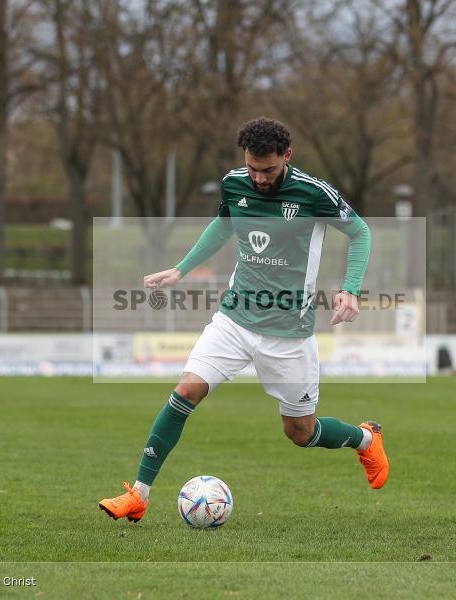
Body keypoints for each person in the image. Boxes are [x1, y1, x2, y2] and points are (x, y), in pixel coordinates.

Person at [99, 117, 389, 522]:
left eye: (267, 170)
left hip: (289, 334)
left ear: (287, 157)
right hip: (234, 320)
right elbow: (223, 227)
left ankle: (364, 438)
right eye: (252, 167)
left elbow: (360, 233)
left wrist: (351, 288)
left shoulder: (313, 193)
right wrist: (181, 269)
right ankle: (139, 494)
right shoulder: (234, 182)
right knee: (185, 392)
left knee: (299, 432)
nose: (258, 178)